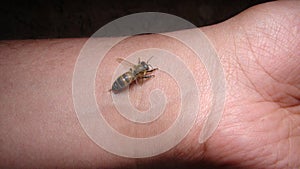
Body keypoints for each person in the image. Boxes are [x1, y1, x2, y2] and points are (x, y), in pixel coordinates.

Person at [0, 1, 299, 168]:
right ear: (140, 69)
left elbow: (137, 72)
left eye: (144, 69)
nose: (144, 70)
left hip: (122, 82)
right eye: (144, 68)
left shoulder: (138, 72)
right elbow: (137, 76)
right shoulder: (137, 75)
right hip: (121, 84)